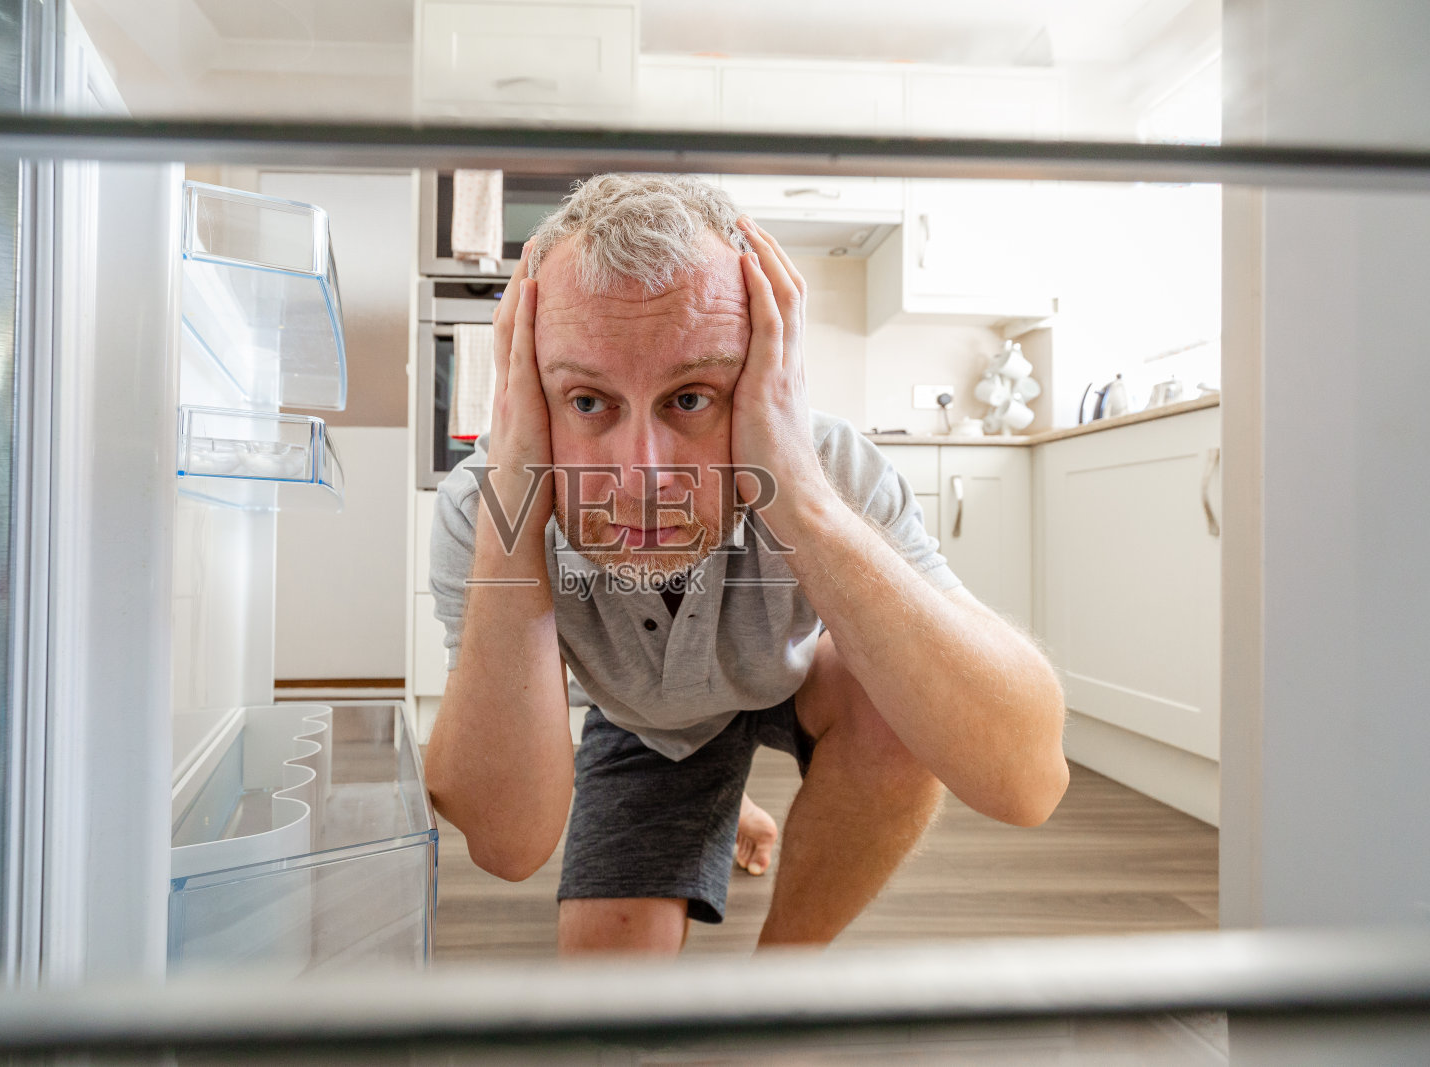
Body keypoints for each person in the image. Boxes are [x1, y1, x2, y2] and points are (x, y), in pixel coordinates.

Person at [423, 174, 1069, 954]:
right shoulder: (486, 501)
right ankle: (720, 799)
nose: (644, 479)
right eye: (588, 401)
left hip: (782, 682)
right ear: (529, 393)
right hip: (638, 724)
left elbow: (1027, 779)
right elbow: (507, 839)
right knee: (608, 986)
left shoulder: (827, 466)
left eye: (692, 397)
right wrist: (519, 491)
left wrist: (800, 492)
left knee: (899, 702)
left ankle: (786, 975)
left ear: (766, 374)